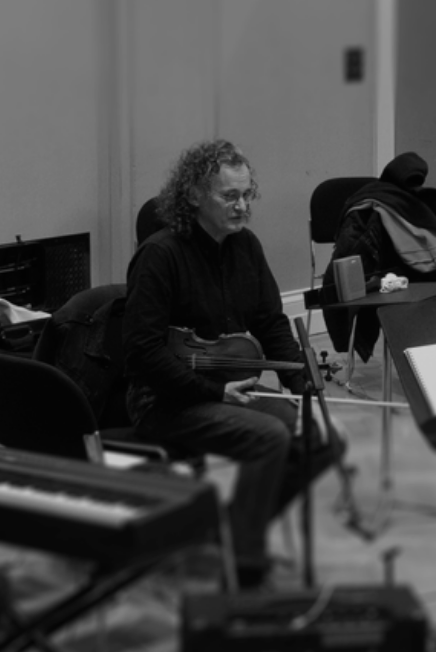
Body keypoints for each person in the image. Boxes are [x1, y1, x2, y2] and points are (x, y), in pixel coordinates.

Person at [124, 140, 346, 590]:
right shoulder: (160, 255)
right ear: (193, 196)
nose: (242, 206)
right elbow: (141, 351)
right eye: (230, 196)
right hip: (165, 399)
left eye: (247, 195)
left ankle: (231, 530)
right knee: (270, 436)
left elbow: (270, 321)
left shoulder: (246, 246)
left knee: (322, 438)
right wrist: (213, 392)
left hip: (228, 389)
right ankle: (243, 568)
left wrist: (301, 382)